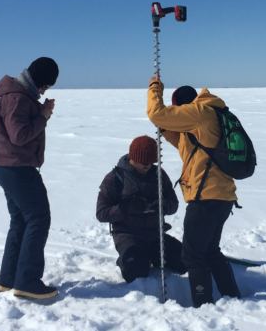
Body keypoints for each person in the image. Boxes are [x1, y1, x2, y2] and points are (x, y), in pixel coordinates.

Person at [146, 77, 241, 307]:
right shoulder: (207, 118)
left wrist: (154, 89)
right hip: (221, 196)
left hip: (206, 198)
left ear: (183, 107)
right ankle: (232, 296)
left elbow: (156, 113)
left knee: (192, 255)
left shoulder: (200, 112)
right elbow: (185, 144)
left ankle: (203, 304)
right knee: (209, 250)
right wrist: (167, 129)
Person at [0, 57, 59, 300]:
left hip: (9, 168)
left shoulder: (18, 95)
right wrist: (43, 115)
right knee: (38, 218)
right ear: (40, 81)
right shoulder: (17, 98)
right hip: (17, 169)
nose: (45, 91)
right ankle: (27, 281)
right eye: (47, 85)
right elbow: (20, 136)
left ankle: (9, 279)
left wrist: (40, 112)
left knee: (20, 220)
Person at [96, 136, 187, 282]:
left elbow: (173, 204)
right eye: (143, 162)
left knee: (185, 262)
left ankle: (153, 256)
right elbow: (101, 213)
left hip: (155, 234)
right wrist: (125, 208)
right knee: (136, 272)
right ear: (133, 157)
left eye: (151, 162)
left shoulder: (159, 175)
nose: (147, 165)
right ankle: (127, 260)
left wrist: (161, 206)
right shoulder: (116, 178)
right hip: (127, 235)